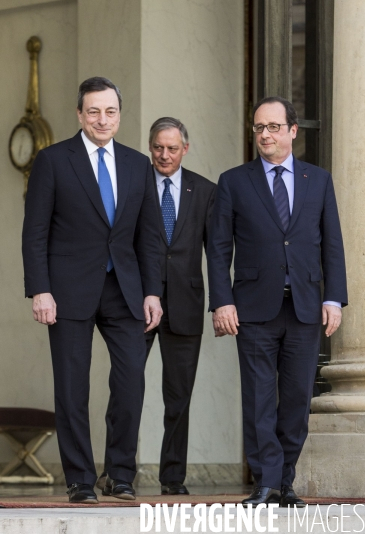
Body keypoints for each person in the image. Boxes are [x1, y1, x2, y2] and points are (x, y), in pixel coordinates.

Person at [22, 77, 163, 504]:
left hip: (125, 290)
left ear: (120, 115)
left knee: (130, 383)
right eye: (94, 111)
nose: (103, 119)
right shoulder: (52, 161)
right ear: (80, 114)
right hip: (67, 291)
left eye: (111, 111)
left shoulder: (139, 164)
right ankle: (80, 478)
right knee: (71, 387)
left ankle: (119, 474)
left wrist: (153, 292)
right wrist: (40, 290)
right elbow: (35, 233)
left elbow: (150, 236)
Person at [207, 96, 347, 508]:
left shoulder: (317, 181)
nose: (264, 135)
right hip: (251, 308)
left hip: (305, 308)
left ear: (292, 131)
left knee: (297, 400)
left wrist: (335, 298)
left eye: (272, 127)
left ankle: (286, 481)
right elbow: (218, 250)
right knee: (258, 399)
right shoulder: (234, 181)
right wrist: (222, 301)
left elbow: (332, 245)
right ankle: (265, 482)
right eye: (258, 128)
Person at [97, 117, 216, 495]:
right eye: (158, 148)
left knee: (179, 396)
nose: (164, 155)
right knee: (126, 386)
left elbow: (216, 253)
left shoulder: (206, 191)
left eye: (172, 148)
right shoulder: (133, 183)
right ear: (150, 147)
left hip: (186, 304)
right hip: (136, 302)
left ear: (185, 148)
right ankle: (118, 473)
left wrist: (224, 302)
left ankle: (173, 478)